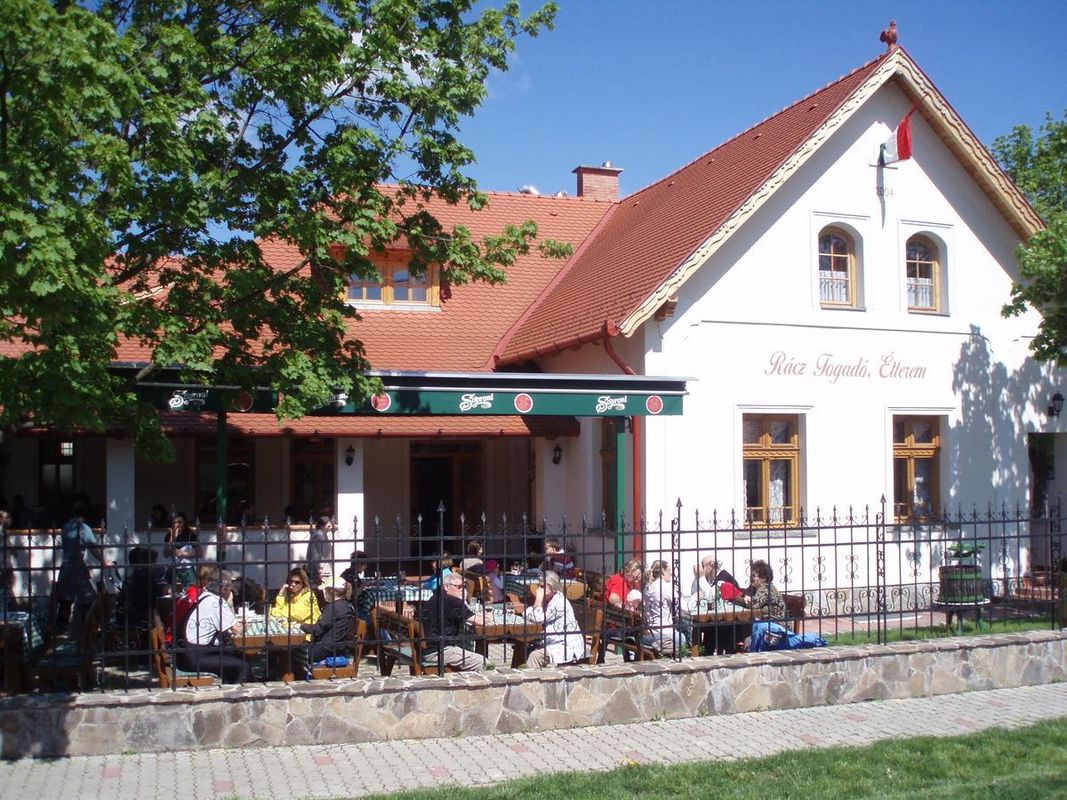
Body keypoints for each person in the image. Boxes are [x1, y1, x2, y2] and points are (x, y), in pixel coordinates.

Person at [177, 568, 249, 683]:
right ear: (223, 589)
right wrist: (245, 626)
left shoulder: (204, 596)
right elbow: (236, 630)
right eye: (230, 588)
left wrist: (229, 603)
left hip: (185, 653)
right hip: (196, 657)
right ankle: (238, 693)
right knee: (243, 666)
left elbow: (226, 626)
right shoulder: (216, 602)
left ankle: (229, 688)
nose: (231, 591)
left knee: (234, 656)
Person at [56, 499, 111, 633]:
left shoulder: (66, 527)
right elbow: (93, 548)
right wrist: (104, 561)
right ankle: (86, 628)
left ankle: (60, 630)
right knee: (88, 599)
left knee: (65, 600)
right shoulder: (83, 528)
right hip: (78, 568)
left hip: (65, 567)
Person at [417, 571, 486, 671]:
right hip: (439, 651)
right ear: (446, 587)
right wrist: (488, 615)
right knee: (484, 663)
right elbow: (480, 621)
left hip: (428, 648)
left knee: (469, 655)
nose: (462, 590)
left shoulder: (437, 597)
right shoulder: (453, 602)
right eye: (459, 587)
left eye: (464, 587)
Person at [519, 570, 586, 667]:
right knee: (524, 650)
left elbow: (537, 617)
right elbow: (527, 613)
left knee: (535, 656)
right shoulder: (547, 601)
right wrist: (534, 608)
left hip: (567, 646)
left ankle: (531, 677)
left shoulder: (559, 602)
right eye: (539, 586)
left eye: (542, 587)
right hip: (553, 643)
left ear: (552, 588)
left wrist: (538, 600)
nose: (538, 590)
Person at [301, 575, 356, 665]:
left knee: (292, 651)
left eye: (325, 590)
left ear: (331, 591)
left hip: (326, 649)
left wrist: (300, 626)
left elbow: (317, 630)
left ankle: (297, 672)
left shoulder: (333, 608)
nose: (324, 593)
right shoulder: (346, 605)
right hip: (338, 648)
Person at [116, 546, 166, 629]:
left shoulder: (130, 578)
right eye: (153, 563)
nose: (155, 566)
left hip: (128, 619)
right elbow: (157, 597)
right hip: (141, 621)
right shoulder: (146, 578)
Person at [643, 560, 685, 655]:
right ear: (663, 571)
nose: (671, 573)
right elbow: (682, 606)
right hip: (663, 632)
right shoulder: (665, 587)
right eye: (669, 570)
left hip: (650, 631)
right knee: (683, 636)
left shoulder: (648, 587)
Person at [270, 567, 320, 635]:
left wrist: (275, 611)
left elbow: (296, 616)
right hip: (294, 631)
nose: (293, 584)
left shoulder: (309, 595)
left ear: (303, 583)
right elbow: (281, 610)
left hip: (309, 634)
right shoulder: (292, 595)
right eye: (291, 581)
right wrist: (280, 595)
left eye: (297, 582)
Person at [304, 515, 334, 588]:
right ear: (321, 526)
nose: (330, 528)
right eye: (328, 526)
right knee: (320, 590)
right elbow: (315, 553)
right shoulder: (318, 536)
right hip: (320, 571)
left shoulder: (323, 536)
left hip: (325, 569)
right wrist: (319, 569)